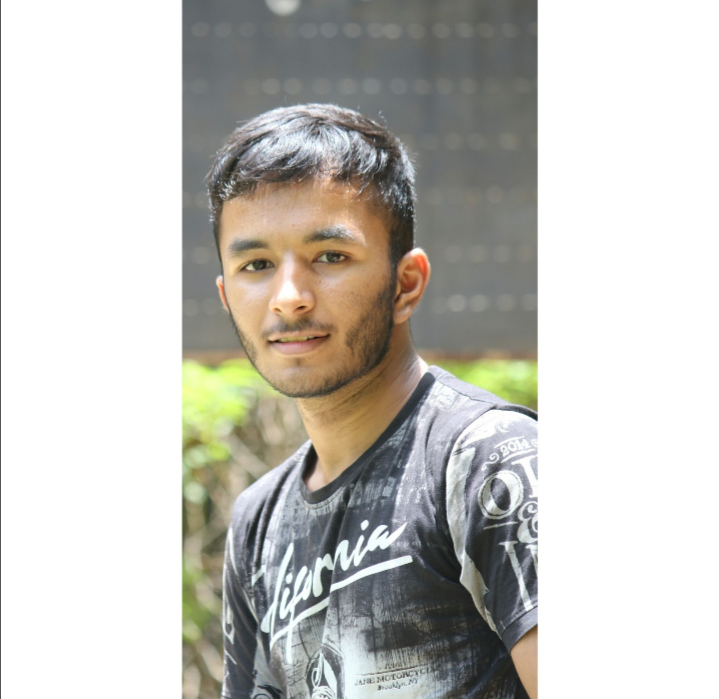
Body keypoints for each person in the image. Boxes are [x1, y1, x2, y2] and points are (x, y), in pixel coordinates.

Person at [207, 104, 538, 699]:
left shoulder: (491, 463)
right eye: (256, 265)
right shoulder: (258, 523)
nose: (289, 297)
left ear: (405, 284)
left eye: (330, 256)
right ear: (228, 297)